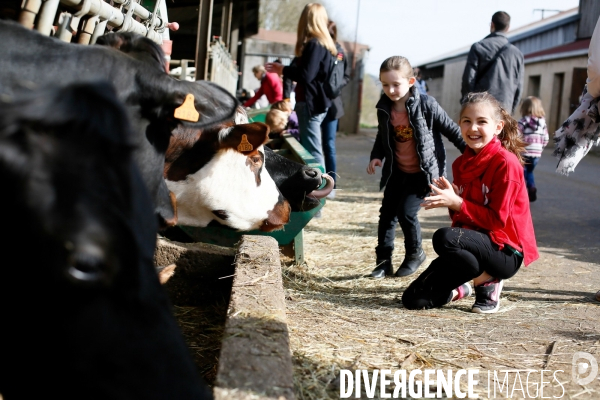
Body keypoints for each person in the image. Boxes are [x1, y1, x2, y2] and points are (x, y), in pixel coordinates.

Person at [402, 92, 539, 313]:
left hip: (504, 251)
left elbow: (496, 221)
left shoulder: (506, 163)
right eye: (467, 121)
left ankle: (488, 281)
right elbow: (463, 221)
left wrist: (457, 203)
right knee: (413, 300)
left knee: (444, 237)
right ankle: (462, 287)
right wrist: (452, 201)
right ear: (460, 125)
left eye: (482, 122)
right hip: (476, 246)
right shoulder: (461, 164)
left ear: (497, 127)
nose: (473, 128)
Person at [366, 56, 466, 279]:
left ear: (411, 81)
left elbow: (453, 131)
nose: (390, 90)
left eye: (396, 84)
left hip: (423, 174)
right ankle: (383, 263)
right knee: (386, 215)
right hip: (396, 171)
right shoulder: (384, 108)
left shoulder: (427, 105)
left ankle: (415, 254)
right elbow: (382, 137)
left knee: (406, 212)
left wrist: (473, 155)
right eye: (385, 84)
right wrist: (376, 156)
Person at [265, 3, 337, 169]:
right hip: (317, 102)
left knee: (312, 149)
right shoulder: (324, 45)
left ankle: (321, 189)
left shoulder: (314, 45)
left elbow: (306, 75)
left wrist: (283, 69)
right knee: (311, 146)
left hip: (310, 103)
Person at [461, 11, 524, 114]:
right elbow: (519, 87)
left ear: (492, 24)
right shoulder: (517, 54)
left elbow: (468, 80)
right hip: (504, 110)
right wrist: (510, 111)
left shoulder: (478, 47)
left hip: (481, 107)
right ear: (508, 28)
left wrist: (467, 103)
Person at [320, 20, 351, 199]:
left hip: (332, 104)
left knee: (328, 145)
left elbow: (346, 75)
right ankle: (320, 183)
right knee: (318, 145)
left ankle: (332, 184)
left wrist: (337, 86)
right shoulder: (318, 48)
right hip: (317, 103)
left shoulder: (339, 51)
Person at [518, 96, 548, 202]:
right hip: (536, 154)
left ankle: (525, 191)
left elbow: (516, 135)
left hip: (524, 153)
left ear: (524, 108)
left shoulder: (523, 121)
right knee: (529, 172)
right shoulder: (542, 123)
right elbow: (546, 138)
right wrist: (540, 148)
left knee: (522, 173)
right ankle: (531, 188)